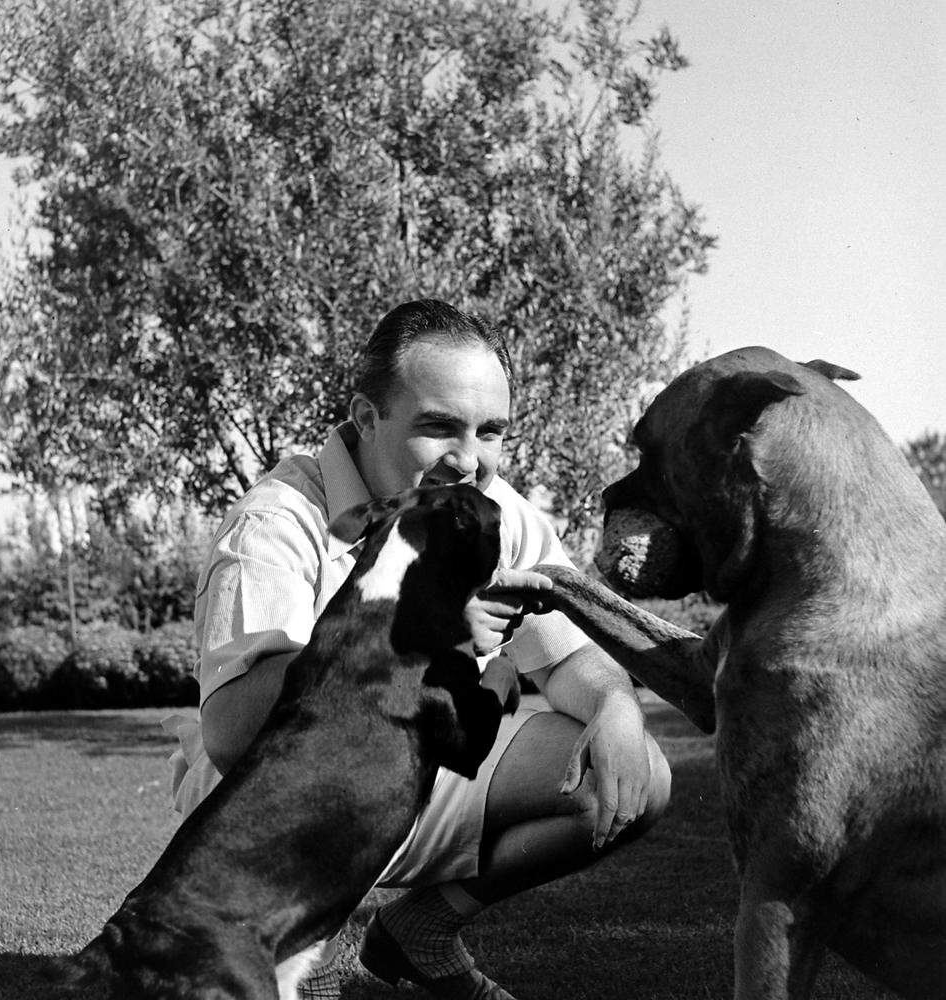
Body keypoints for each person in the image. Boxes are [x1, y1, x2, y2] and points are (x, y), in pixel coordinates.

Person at [165, 299, 672, 1000]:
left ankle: (417, 931)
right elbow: (230, 735)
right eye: (438, 427)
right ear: (367, 417)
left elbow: (567, 661)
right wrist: (422, 633)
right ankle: (279, 946)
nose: (470, 461)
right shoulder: (276, 524)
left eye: (490, 431)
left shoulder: (495, 508)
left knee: (630, 770)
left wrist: (615, 707)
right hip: (275, 813)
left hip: (407, 775)